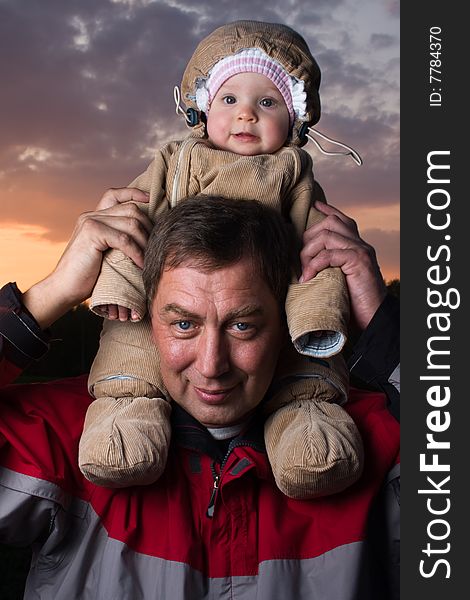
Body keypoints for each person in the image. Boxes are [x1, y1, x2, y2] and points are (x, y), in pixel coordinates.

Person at [0, 192, 399, 600]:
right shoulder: (66, 438)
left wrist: (381, 323)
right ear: (145, 317)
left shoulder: (367, 438)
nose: (212, 365)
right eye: (184, 324)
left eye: (242, 326)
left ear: (284, 322)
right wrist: (49, 295)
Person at [82, 19, 365, 497]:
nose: (246, 116)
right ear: (200, 108)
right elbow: (130, 225)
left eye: (268, 103)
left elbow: (318, 260)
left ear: (297, 118)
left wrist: (318, 321)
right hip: (149, 298)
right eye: (230, 100)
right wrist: (115, 292)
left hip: (281, 289)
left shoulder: (295, 174)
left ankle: (305, 419)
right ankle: (126, 410)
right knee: (128, 345)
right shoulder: (174, 160)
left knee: (302, 368)